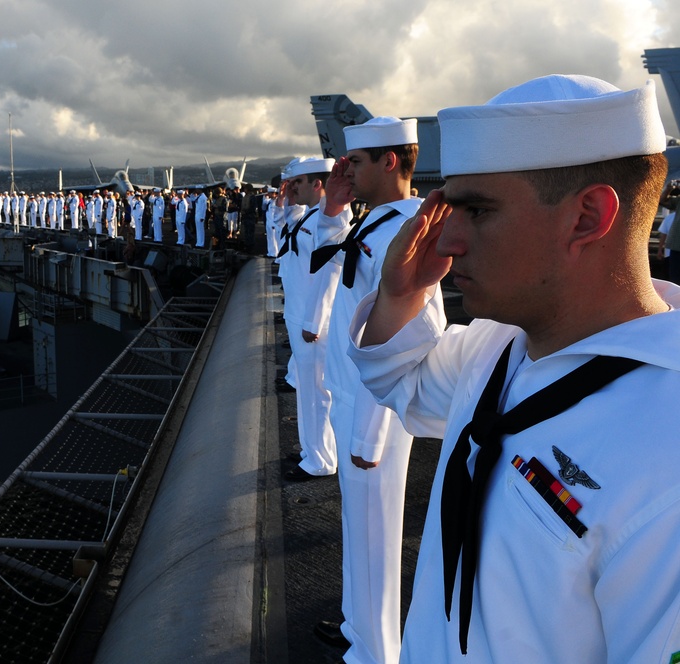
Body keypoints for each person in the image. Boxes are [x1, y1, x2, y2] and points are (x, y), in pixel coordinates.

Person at [346, 75, 680, 663]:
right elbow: (406, 384)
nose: (446, 240)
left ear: (586, 217)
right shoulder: (499, 346)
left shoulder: (667, 452)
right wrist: (400, 296)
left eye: (476, 210)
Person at [309, 117, 428, 664]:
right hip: (349, 398)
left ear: (389, 161)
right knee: (357, 530)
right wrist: (333, 208)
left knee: (376, 539)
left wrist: (369, 435)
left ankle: (378, 653)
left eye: (355, 163)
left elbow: (411, 338)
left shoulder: (408, 234)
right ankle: (359, 628)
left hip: (372, 413)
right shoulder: (377, 224)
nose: (346, 171)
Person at [277, 156, 352, 480]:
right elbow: (287, 238)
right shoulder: (308, 216)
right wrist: (288, 200)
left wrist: (314, 321)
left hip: (312, 323)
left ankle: (321, 460)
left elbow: (329, 272)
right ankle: (311, 449)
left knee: (318, 394)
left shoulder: (332, 220)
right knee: (307, 392)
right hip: (298, 315)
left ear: (317, 183)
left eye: (298, 183)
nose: (292, 188)